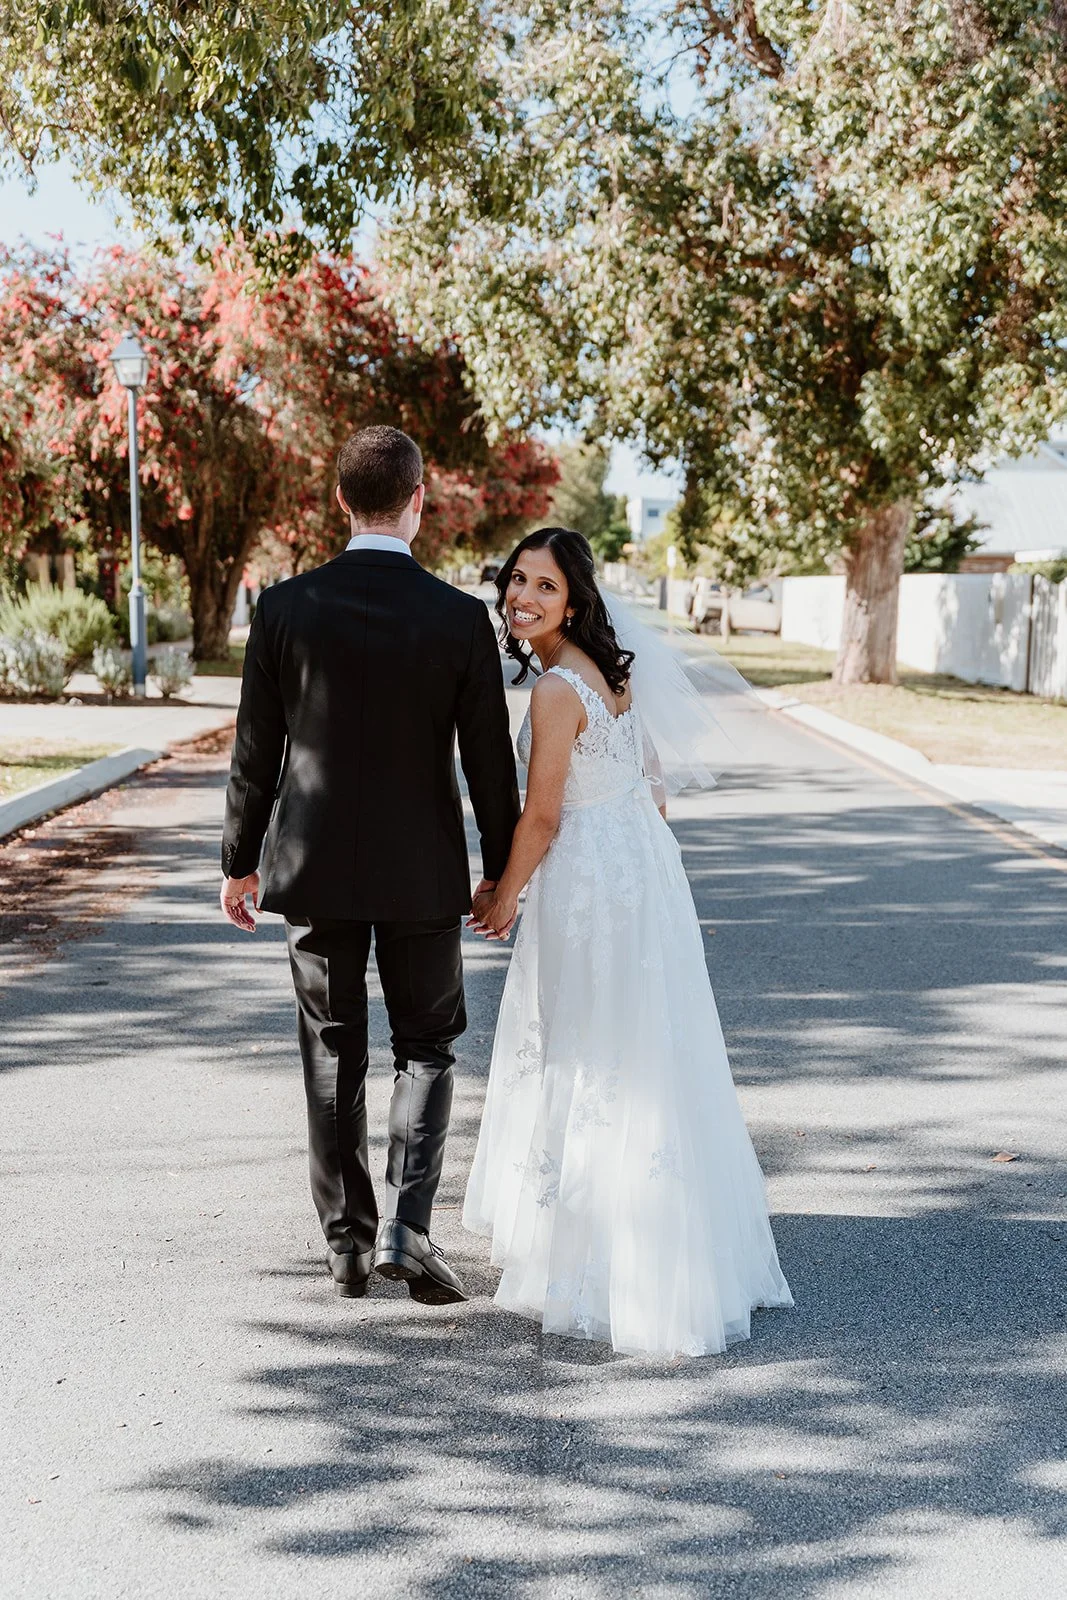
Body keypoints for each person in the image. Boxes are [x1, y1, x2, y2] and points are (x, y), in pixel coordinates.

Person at [464, 527, 793, 1357]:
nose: (522, 598)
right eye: (515, 582)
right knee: (641, 1046)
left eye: (542, 586)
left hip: (584, 881)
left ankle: (591, 1255)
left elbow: (541, 817)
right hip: (640, 876)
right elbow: (652, 793)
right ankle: (658, 1239)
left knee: (585, 1048)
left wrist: (504, 897)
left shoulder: (550, 693)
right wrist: (630, 861)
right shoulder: (613, 674)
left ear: (573, 599)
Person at [219, 426, 520, 1305]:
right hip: (422, 871)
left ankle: (346, 1247)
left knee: (330, 1050)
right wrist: (501, 872)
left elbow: (254, 755)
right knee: (426, 1045)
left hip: (311, 870)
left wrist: (239, 861)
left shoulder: (282, 608)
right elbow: (488, 763)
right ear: (418, 501)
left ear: (339, 499)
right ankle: (406, 1227)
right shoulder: (460, 618)